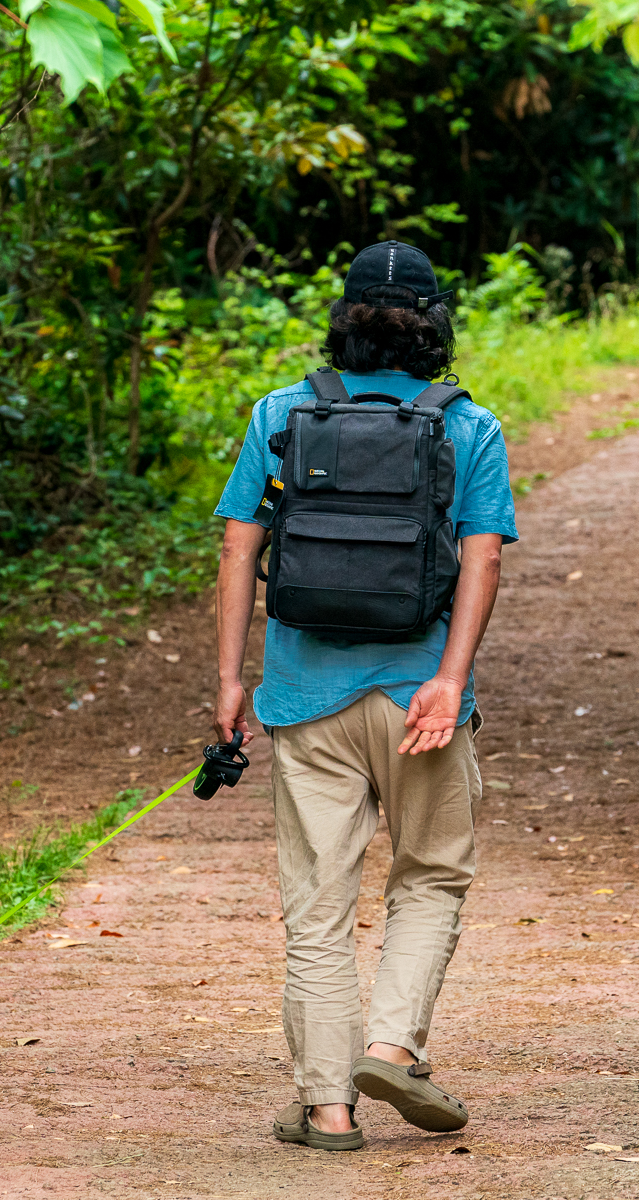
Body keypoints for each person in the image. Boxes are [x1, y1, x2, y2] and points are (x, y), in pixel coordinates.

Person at [211, 240, 518, 1152]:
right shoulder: (470, 427)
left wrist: (232, 680)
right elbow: (483, 556)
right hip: (420, 701)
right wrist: (449, 679)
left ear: (345, 319)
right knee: (428, 873)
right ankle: (389, 1045)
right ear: (434, 325)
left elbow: (239, 547)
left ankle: (328, 1108)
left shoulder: (281, 415)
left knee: (317, 904)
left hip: (305, 697)